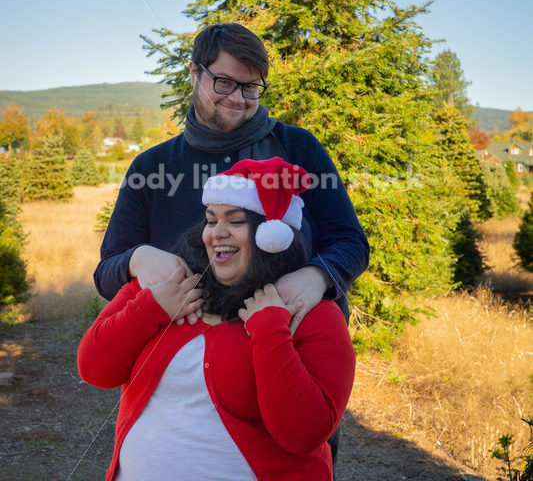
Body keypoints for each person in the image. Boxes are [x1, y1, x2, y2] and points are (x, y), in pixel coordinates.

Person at [79, 158, 356, 481]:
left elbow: (303, 435)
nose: (217, 233)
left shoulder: (308, 314)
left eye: (236, 221)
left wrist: (270, 331)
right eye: (211, 220)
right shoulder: (165, 285)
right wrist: (150, 308)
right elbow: (93, 369)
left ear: (271, 236)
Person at [94, 23, 369, 329]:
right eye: (224, 82)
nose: (238, 98)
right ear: (194, 73)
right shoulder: (150, 168)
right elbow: (106, 273)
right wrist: (137, 259)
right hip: (182, 362)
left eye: (250, 86)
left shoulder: (299, 148)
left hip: (293, 351)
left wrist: (319, 275)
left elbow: (351, 241)